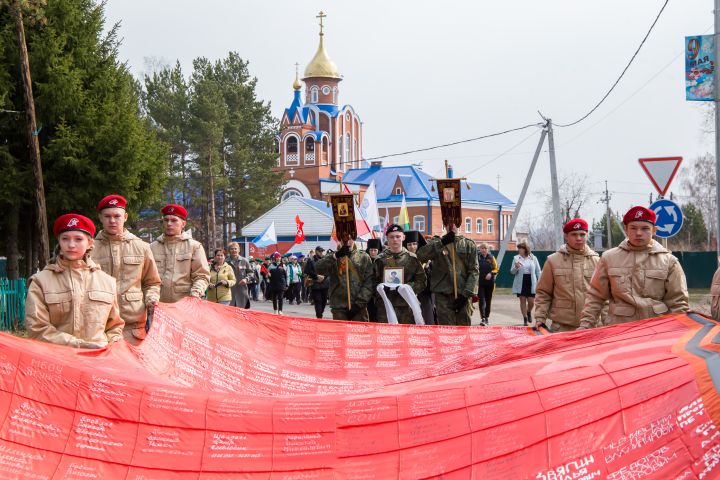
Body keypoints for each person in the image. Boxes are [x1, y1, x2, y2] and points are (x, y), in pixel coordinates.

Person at [579, 206, 689, 329]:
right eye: (633, 228)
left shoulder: (669, 261)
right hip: (619, 330)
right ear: (626, 229)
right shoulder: (609, 258)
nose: (638, 233)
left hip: (656, 331)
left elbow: (678, 303)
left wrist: (677, 331)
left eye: (645, 228)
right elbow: (595, 296)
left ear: (654, 230)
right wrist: (585, 327)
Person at [25, 214, 124, 348]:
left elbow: (115, 326)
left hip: (97, 362)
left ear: (90, 243)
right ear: (59, 241)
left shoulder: (107, 282)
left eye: (78, 239)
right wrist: (77, 345)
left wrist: (112, 345)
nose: (71, 245)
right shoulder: (41, 281)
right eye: (65, 239)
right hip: (57, 362)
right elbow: (37, 328)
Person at [90, 194, 161, 343]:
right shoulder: (89, 249)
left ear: (126, 217)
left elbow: (152, 282)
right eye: (107, 216)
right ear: (100, 217)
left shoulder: (141, 247)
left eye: (117, 216)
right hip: (98, 328)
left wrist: (151, 299)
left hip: (132, 327)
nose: (112, 221)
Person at [534, 219, 602, 332]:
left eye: (582, 234)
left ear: (587, 235)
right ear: (566, 236)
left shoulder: (597, 261)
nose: (579, 238)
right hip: (562, 328)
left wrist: (606, 323)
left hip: (592, 327)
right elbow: (543, 293)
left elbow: (603, 296)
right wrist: (540, 317)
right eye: (574, 234)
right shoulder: (553, 261)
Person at [417, 224, 479, 326]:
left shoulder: (468, 244)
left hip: (462, 295)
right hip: (442, 296)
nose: (452, 225)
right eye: (448, 222)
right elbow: (420, 256)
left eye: (455, 222)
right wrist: (442, 242)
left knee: (463, 330)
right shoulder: (436, 242)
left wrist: (466, 295)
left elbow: (474, 271)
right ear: (444, 224)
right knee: (446, 331)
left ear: (459, 224)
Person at [150, 204, 210, 303]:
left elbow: (202, 276)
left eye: (174, 220)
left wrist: (196, 293)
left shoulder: (194, 247)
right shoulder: (152, 247)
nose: (169, 223)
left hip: (184, 306)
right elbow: (148, 279)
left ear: (183, 224)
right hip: (158, 305)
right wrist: (150, 298)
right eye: (166, 220)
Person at [373, 224, 426, 324]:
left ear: (403, 237)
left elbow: (422, 281)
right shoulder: (380, 260)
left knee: (406, 337)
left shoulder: (412, 258)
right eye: (391, 237)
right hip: (386, 306)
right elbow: (372, 281)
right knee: (387, 337)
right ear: (387, 238)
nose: (395, 240)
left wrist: (406, 288)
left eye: (398, 236)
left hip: (406, 306)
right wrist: (382, 288)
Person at [316, 236, 375, 321]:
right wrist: (336, 256)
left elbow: (369, 282)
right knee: (341, 333)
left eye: (350, 238)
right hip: (339, 307)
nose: (347, 241)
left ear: (354, 239)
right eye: (344, 238)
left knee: (359, 334)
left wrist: (359, 304)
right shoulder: (333, 256)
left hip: (358, 307)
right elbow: (318, 268)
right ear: (340, 239)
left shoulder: (364, 257)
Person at [510, 241, 541, 326]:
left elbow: (538, 271)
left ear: (525, 249)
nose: (519, 250)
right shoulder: (516, 258)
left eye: (521, 248)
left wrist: (540, 281)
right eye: (518, 248)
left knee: (531, 302)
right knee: (522, 300)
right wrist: (515, 267)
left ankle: (528, 311)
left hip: (531, 281)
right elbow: (512, 272)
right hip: (521, 281)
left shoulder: (533, 258)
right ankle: (525, 318)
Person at [304, 246, 330, 318]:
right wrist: (316, 276)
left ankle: (320, 314)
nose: (321, 253)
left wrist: (324, 277)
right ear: (316, 251)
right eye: (320, 251)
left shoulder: (325, 259)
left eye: (322, 251)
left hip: (325, 284)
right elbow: (307, 271)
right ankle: (319, 317)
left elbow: (328, 270)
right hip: (315, 283)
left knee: (324, 302)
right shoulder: (311, 260)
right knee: (318, 301)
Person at [476, 243, 498, 326]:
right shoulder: (477, 257)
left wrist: (491, 273)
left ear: (487, 249)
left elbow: (496, 269)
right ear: (480, 249)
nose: (483, 250)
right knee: (481, 300)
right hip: (480, 283)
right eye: (482, 248)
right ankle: (483, 318)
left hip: (490, 283)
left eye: (485, 248)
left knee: (488, 301)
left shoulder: (491, 257)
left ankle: (487, 317)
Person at [226, 242, 253, 309]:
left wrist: (246, 279)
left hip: (242, 291)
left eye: (235, 249)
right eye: (232, 249)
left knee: (242, 313)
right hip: (229, 291)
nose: (234, 250)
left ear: (239, 250)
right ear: (229, 250)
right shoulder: (226, 262)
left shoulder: (244, 261)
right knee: (230, 313)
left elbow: (251, 273)